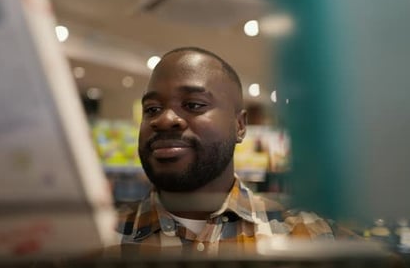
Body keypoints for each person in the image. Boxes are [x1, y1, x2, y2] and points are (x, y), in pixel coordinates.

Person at [113, 47, 353, 257]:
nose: (164, 120)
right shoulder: (100, 238)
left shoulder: (310, 237)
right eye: (152, 109)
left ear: (239, 126)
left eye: (194, 105)